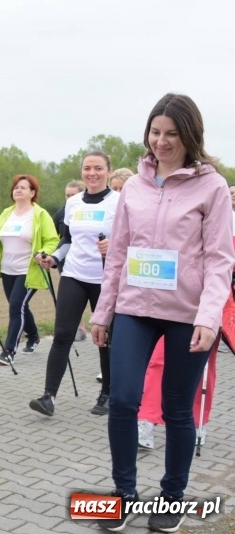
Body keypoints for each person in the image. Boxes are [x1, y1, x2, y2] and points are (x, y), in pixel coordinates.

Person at [91, 93, 234, 532]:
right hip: (136, 307)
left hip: (187, 314)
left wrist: (209, 318)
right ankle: (123, 493)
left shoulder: (210, 186)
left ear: (190, 135)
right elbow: (117, 253)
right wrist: (103, 311)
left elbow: (220, 259)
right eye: (155, 132)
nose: (162, 142)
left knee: (176, 408)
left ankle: (172, 497)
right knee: (122, 399)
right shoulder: (133, 184)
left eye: (172, 134)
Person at [30, 151, 119, 416]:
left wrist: (112, 246)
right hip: (75, 275)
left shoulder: (119, 202)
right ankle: (49, 397)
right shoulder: (74, 203)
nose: (92, 173)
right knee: (62, 334)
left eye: (98, 168)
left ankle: (107, 394)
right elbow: (67, 240)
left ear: (108, 171)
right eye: (87, 168)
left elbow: (130, 239)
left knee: (105, 338)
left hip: (105, 278)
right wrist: (53, 258)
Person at [0, 174, 59, 365]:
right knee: (19, 305)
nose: (18, 190)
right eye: (16, 187)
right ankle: (34, 335)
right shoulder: (6, 213)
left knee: (15, 306)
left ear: (32, 192)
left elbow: (52, 240)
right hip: (7, 270)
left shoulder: (40, 214)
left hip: (29, 270)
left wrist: (44, 252)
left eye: (23, 187)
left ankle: (9, 350)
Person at [53, 181, 89, 342]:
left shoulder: (90, 209)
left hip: (90, 261)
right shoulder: (61, 213)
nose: (69, 198)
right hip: (66, 261)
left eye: (73, 195)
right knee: (74, 298)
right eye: (67, 195)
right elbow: (60, 238)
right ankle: (78, 327)